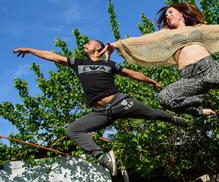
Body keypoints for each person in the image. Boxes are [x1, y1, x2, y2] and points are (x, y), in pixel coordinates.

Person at [13, 40, 188, 177]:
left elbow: (132, 74)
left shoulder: (109, 65)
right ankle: (104, 159)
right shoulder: (78, 63)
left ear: (98, 47)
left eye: (87, 43)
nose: (83, 45)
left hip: (120, 102)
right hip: (101, 113)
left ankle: (176, 120)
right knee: (72, 130)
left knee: (153, 114)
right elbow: (53, 56)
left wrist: (152, 81)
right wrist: (30, 50)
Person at [102, 2, 219, 117]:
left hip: (212, 69)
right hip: (189, 77)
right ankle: (197, 110)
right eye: (166, 15)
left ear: (181, 13)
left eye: (171, 12)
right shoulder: (166, 34)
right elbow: (143, 40)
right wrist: (116, 45)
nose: (168, 16)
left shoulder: (197, 29)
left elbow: (218, 28)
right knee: (165, 97)